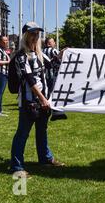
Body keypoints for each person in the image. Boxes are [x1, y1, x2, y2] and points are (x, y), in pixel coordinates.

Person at [10, 22, 65, 178]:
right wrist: (42, 98)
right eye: (32, 34)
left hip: (43, 101)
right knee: (22, 133)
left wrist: (62, 54)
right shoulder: (21, 56)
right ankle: (17, 166)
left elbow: (52, 64)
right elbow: (29, 80)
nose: (35, 37)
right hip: (30, 102)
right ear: (26, 36)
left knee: (42, 131)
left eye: (37, 34)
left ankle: (45, 158)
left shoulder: (40, 54)